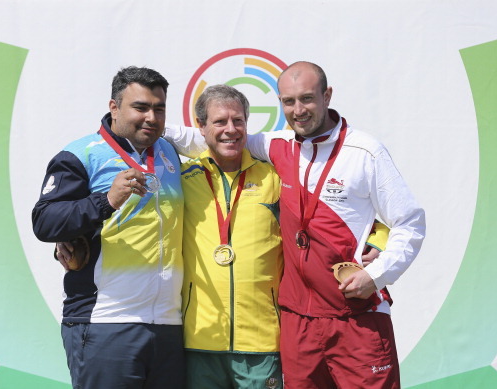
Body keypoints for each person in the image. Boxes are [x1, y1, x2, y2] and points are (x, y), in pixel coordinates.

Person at [165, 61, 425, 388]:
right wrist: (151, 126)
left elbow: (410, 222)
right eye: (289, 102)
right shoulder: (277, 146)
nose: (298, 110)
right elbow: (215, 139)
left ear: (327, 95)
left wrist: (376, 274)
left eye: (307, 99)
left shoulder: (365, 152)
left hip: (354, 314)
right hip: (297, 322)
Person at [32, 66, 185, 388]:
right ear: (114, 107)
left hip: (168, 324)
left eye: (159, 109)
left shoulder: (170, 151)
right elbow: (45, 221)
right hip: (106, 321)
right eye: (140, 107)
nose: (151, 117)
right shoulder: (81, 154)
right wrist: (105, 201)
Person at [180, 84, 284, 388]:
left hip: (261, 339)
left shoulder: (274, 177)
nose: (231, 130)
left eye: (238, 121)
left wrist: (375, 240)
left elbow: (328, 215)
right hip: (200, 337)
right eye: (220, 121)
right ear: (200, 126)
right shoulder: (183, 178)